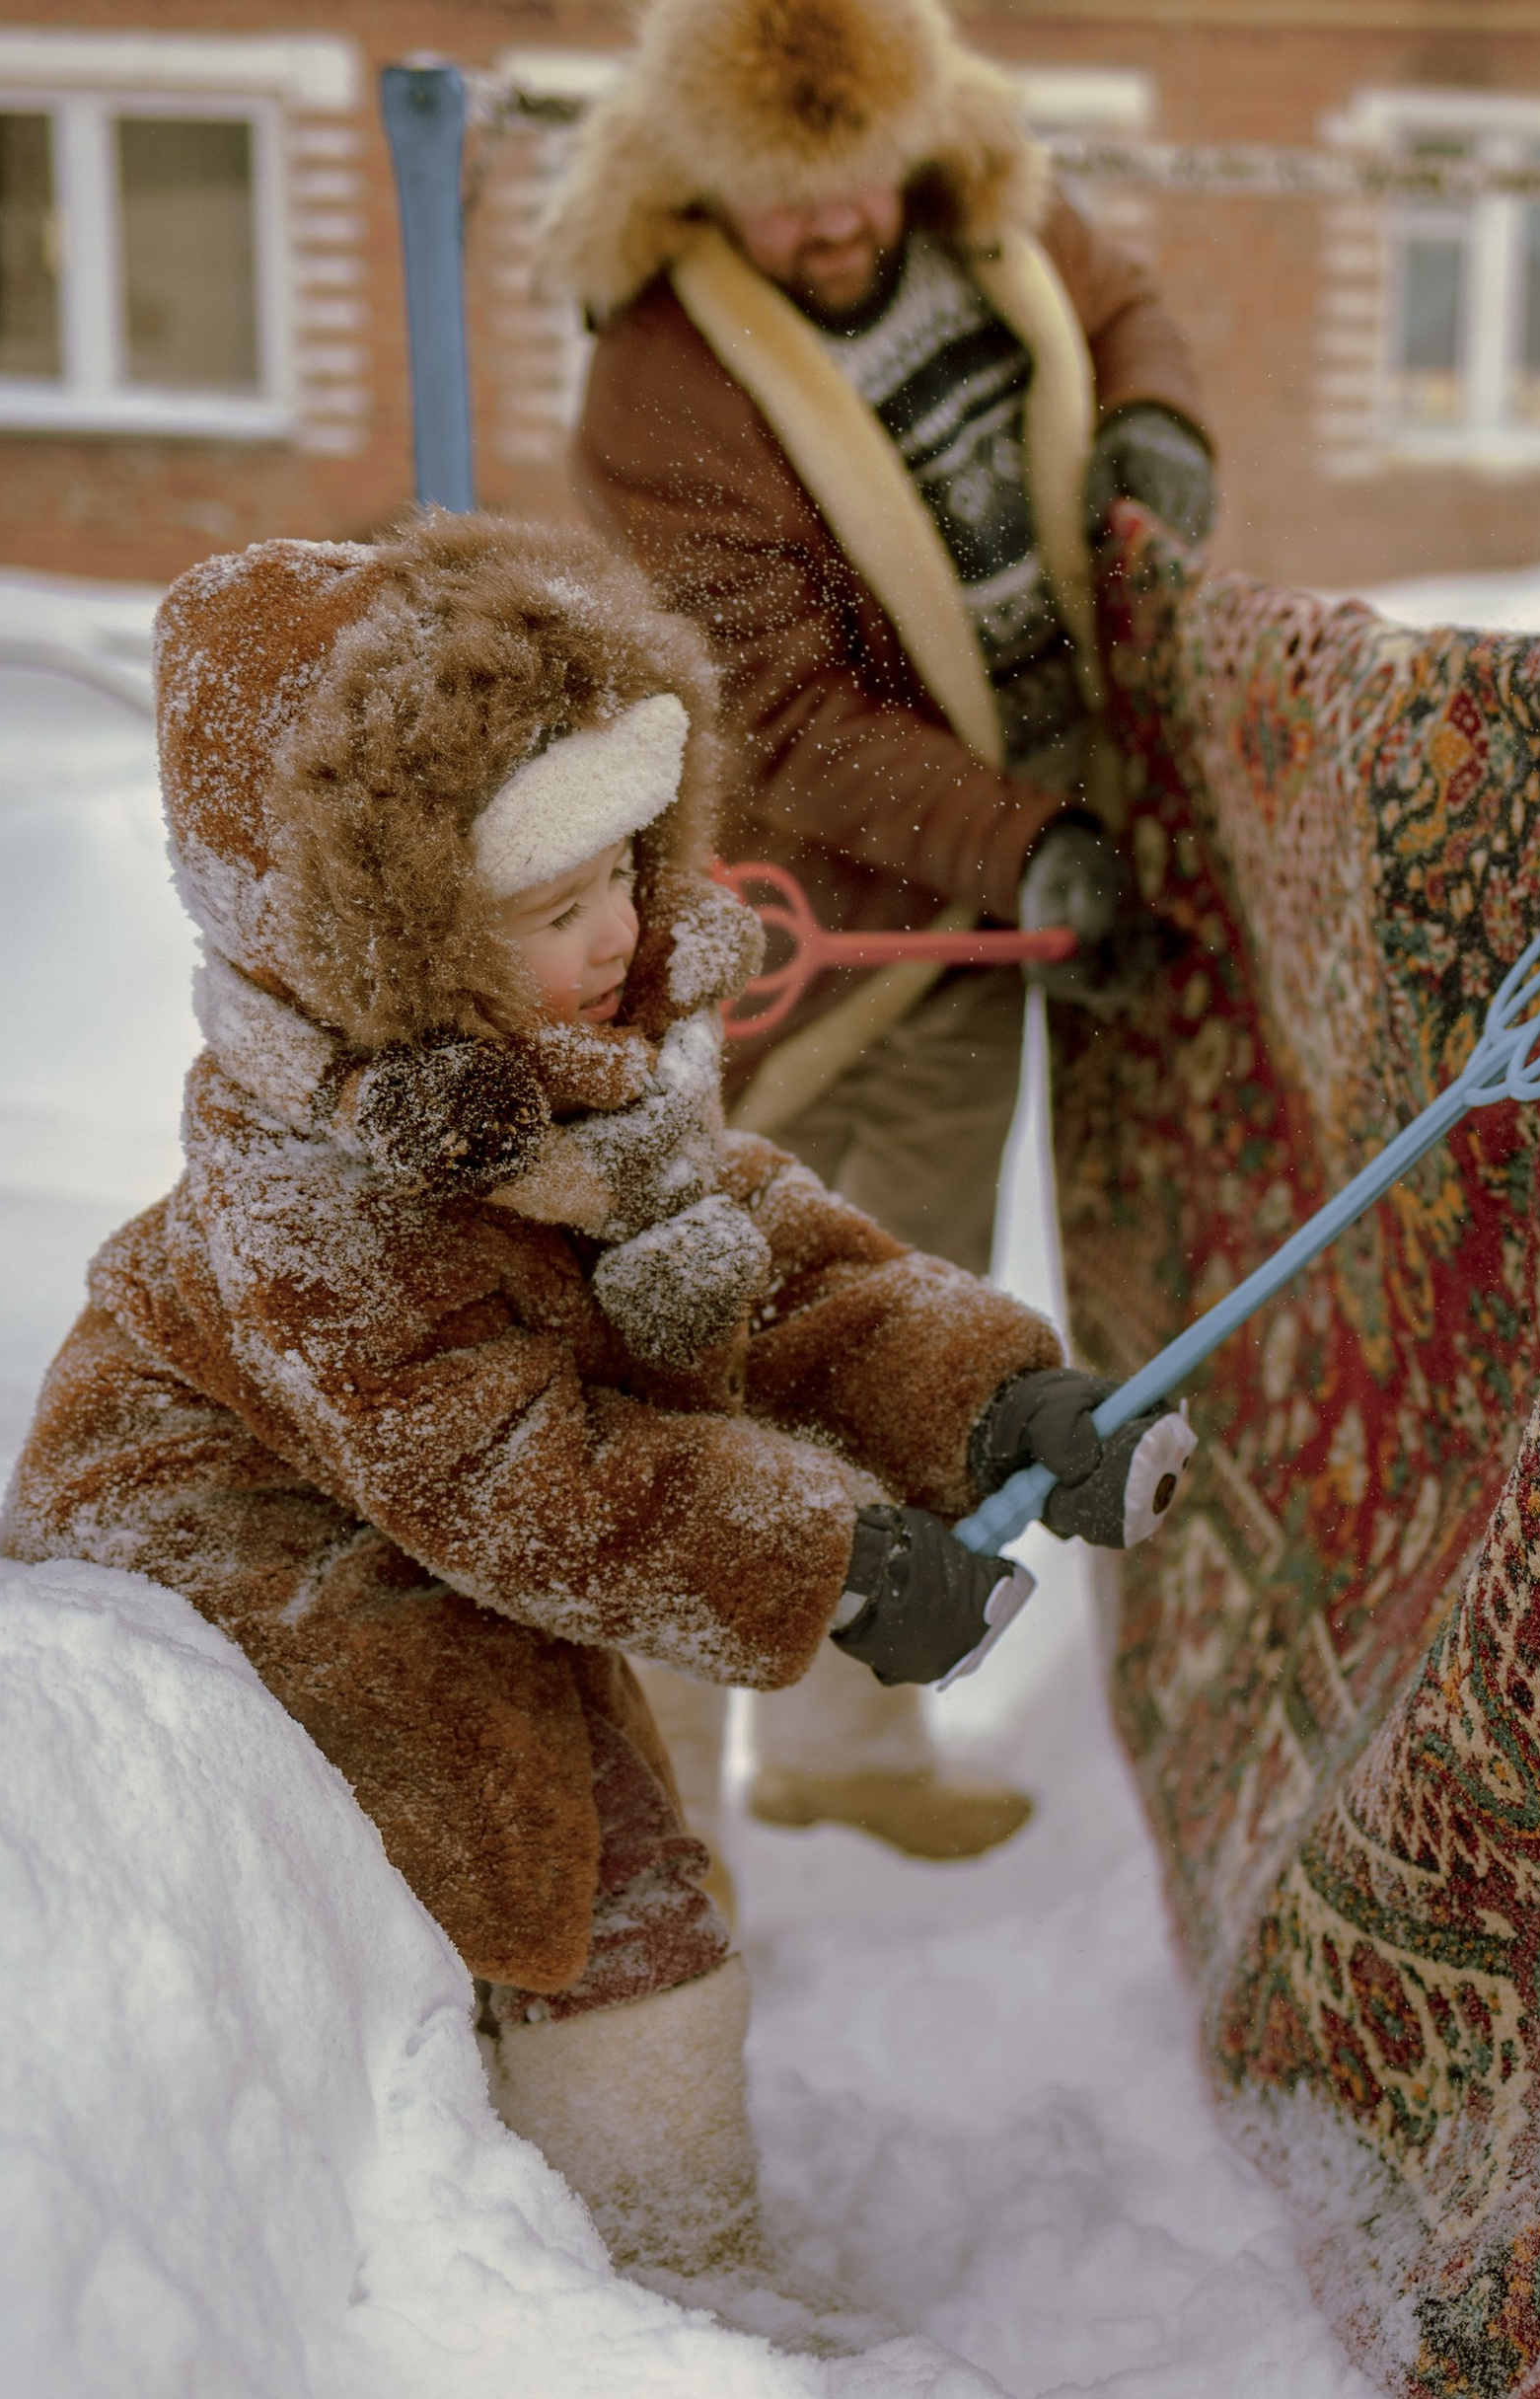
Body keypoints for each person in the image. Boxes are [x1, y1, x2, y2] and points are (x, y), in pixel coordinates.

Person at [0, 511, 1182, 2329]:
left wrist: (1001, 1400)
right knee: (559, 1843)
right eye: (558, 911)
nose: (626, 934)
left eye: (630, 869)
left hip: (439, 1490)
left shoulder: (587, 1070)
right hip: (238, 1524)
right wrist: (832, 1561)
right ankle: (645, 2272)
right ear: (385, 942)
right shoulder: (313, 1195)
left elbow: (781, 1265)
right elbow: (504, 1477)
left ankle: (628, 2203)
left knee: (588, 1769)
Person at [547, 0, 1215, 1859]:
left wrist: (1155, 426)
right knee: (698, 1339)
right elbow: (781, 713)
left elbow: (1130, 308)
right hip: (831, 917)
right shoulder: (662, 379)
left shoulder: (994, 205)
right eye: (786, 206)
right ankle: (653, 1783)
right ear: (698, 186)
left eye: (858, 187)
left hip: (992, 886)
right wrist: (1029, 846)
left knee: (903, 1315)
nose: (836, 230)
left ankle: (849, 1749)